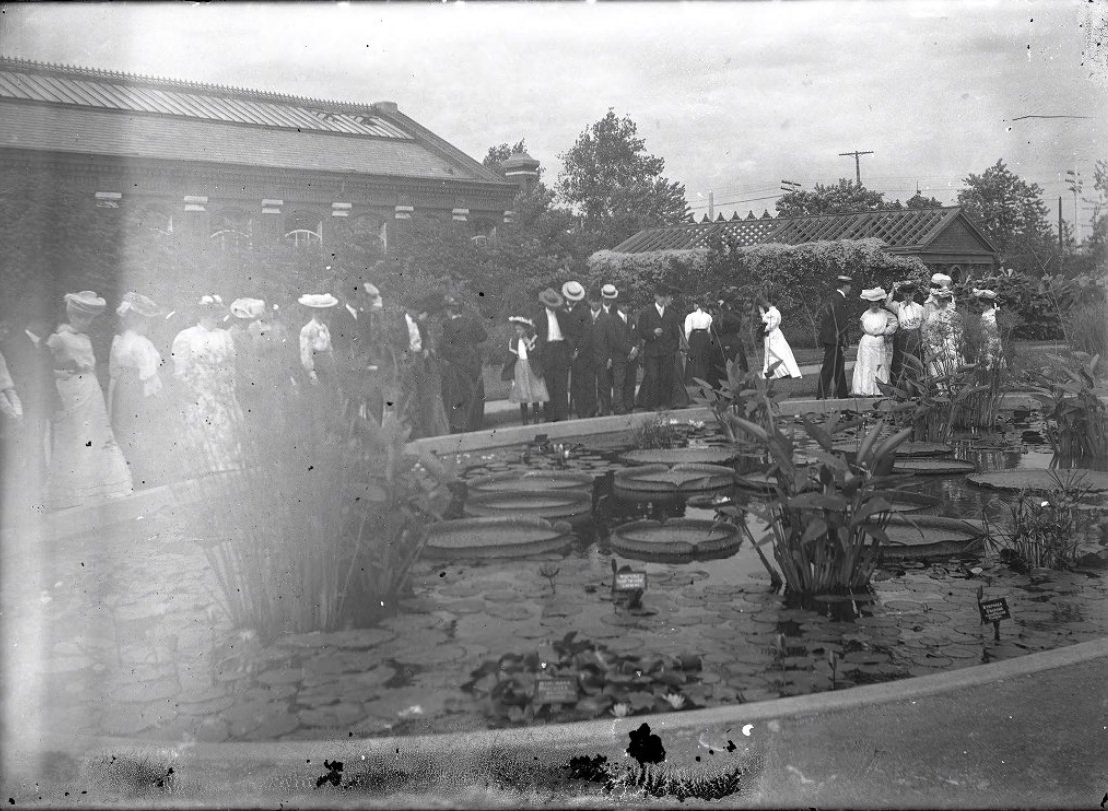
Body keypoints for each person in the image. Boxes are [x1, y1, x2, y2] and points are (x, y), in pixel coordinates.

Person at [45, 291, 133, 509]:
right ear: (72, 316)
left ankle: (101, 485)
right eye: (81, 318)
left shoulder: (84, 338)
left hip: (89, 388)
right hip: (71, 388)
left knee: (96, 433)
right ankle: (74, 490)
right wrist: (59, 374)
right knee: (76, 435)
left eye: (88, 319)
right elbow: (44, 364)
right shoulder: (59, 338)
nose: (85, 323)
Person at [171, 294, 245, 476]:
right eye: (210, 312)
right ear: (201, 313)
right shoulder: (187, 336)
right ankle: (206, 472)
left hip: (223, 394)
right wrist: (193, 392)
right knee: (204, 432)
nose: (214, 316)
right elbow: (181, 370)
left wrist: (228, 388)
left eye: (217, 312)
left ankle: (229, 470)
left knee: (227, 433)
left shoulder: (225, 336)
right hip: (201, 394)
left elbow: (231, 365)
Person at [108, 292, 171, 487]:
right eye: (147, 321)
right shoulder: (141, 343)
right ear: (140, 321)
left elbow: (113, 370)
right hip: (138, 388)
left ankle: (129, 474)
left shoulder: (119, 340)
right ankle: (146, 474)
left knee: (125, 429)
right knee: (143, 429)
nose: (149, 325)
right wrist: (160, 396)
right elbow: (148, 374)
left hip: (122, 387)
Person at [0, 315, 58, 508]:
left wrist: (19, 413)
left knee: (32, 449)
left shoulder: (40, 347)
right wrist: (15, 412)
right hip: (13, 411)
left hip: (26, 410)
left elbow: (10, 386)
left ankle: (33, 497)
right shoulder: (11, 346)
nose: (5, 333)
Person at [396, 293, 449, 439]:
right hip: (407, 360)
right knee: (409, 392)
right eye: (414, 311)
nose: (416, 314)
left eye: (418, 311)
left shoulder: (419, 323)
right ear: (408, 310)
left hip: (420, 359)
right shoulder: (399, 323)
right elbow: (395, 342)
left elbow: (425, 338)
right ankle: (409, 428)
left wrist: (425, 348)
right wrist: (403, 353)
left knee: (423, 392)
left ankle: (423, 427)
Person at [439, 295, 488, 433]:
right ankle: (476, 424)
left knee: (458, 394)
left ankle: (461, 425)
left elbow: (443, 348)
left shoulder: (447, 325)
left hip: (457, 366)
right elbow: (483, 336)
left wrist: (455, 354)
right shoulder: (471, 322)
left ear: (450, 311)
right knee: (476, 392)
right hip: (473, 363)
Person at [636, 282, 682, 410]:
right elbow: (641, 331)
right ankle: (652, 404)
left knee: (666, 378)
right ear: (655, 296)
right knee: (653, 377)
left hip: (667, 352)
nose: (662, 299)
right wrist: (652, 333)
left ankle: (665, 404)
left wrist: (672, 349)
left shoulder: (671, 314)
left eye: (664, 296)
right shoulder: (646, 312)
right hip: (652, 352)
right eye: (660, 296)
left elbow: (675, 335)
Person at [533, 288, 572, 422]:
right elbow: (536, 339)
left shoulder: (563, 315)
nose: (552, 307)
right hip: (547, 352)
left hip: (561, 350)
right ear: (545, 304)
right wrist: (540, 354)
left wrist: (569, 350)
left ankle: (562, 416)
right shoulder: (538, 319)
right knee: (549, 385)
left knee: (561, 385)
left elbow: (569, 334)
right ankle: (550, 417)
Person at [600, 285, 639, 415]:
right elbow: (614, 341)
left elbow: (636, 337)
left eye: (628, 305)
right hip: (619, 357)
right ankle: (618, 406)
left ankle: (629, 404)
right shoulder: (612, 321)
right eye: (624, 305)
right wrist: (630, 350)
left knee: (630, 382)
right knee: (619, 382)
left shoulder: (632, 319)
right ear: (618, 306)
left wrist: (635, 350)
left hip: (631, 357)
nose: (626, 308)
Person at [561, 280, 596, 419]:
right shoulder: (560, 308)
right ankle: (568, 412)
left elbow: (587, 333)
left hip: (582, 353)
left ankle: (584, 412)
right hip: (565, 351)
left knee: (582, 383)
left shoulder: (584, 311)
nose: (571, 300)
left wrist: (577, 350)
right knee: (568, 384)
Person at [505, 316, 549, 425]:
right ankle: (524, 421)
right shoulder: (513, 341)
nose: (518, 332)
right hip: (520, 368)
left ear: (525, 329)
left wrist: (528, 342)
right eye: (516, 329)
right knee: (522, 394)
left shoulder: (533, 338)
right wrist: (512, 375)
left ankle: (536, 419)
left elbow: (538, 353)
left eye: (520, 329)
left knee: (535, 393)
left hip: (531, 367)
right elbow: (511, 357)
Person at [816, 275, 853, 399]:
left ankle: (843, 395)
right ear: (845, 286)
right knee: (829, 368)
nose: (850, 288)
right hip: (835, 339)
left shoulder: (832, 298)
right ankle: (821, 396)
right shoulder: (840, 300)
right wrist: (845, 340)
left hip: (830, 338)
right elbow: (841, 323)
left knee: (838, 368)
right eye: (849, 285)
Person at [884, 281, 926, 385]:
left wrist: (924, 339)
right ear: (903, 295)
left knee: (914, 361)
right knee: (901, 361)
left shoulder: (919, 308)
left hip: (915, 337)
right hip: (902, 338)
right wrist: (893, 290)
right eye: (906, 295)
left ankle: (916, 384)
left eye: (910, 295)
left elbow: (923, 324)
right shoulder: (898, 306)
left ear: (914, 295)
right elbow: (887, 304)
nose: (908, 297)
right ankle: (900, 384)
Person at [852, 288, 892, 396]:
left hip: (879, 342)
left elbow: (894, 323)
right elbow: (860, 325)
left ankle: (879, 390)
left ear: (879, 304)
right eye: (872, 304)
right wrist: (868, 333)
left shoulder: (884, 314)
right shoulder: (865, 314)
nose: (874, 306)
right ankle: (866, 390)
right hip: (867, 343)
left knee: (879, 364)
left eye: (876, 304)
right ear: (869, 304)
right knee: (867, 364)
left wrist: (885, 332)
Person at [922, 289, 964, 382]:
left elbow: (959, 331)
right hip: (937, 344)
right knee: (938, 367)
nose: (941, 303)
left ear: (948, 301)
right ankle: (941, 390)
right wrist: (933, 343)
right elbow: (930, 331)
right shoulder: (933, 315)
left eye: (943, 300)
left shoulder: (954, 315)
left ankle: (953, 388)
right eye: (939, 300)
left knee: (952, 366)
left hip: (951, 344)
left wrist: (953, 341)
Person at [757, 295, 802, 379]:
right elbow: (765, 319)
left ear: (769, 303)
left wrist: (764, 330)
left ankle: (785, 371)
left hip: (774, 335)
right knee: (771, 353)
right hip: (772, 334)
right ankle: (775, 373)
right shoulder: (771, 312)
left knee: (778, 353)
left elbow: (772, 324)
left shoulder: (774, 312)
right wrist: (761, 311)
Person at [973, 288, 1006, 371]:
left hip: (994, 341)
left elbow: (1001, 327)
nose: (981, 307)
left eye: (983, 305)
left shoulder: (995, 313)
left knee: (995, 363)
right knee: (984, 363)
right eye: (980, 305)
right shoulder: (983, 313)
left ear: (988, 304)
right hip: (984, 342)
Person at [683, 300, 714, 385]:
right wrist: (711, 341)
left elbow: (688, 331)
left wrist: (688, 341)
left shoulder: (690, 316)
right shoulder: (708, 317)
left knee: (693, 357)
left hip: (694, 337)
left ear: (697, 306)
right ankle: (704, 377)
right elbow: (710, 331)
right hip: (705, 337)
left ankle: (692, 378)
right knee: (704, 357)